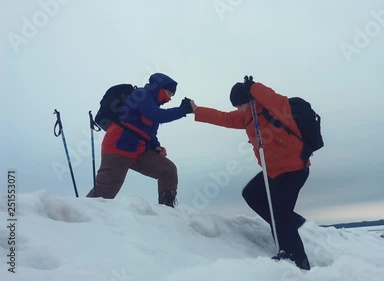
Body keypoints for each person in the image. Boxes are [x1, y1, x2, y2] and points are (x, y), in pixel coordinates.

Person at [186, 76, 311, 270]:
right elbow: (224, 118)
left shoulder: (276, 109)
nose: (239, 110)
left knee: (280, 216)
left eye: (241, 105)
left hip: (293, 169)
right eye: (237, 107)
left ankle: (299, 263)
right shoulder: (247, 115)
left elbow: (274, 98)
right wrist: (197, 110)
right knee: (251, 193)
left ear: (251, 100)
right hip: (273, 171)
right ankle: (291, 222)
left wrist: (254, 87)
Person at [87, 73, 194, 207]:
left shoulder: (153, 105)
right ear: (159, 88)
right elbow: (157, 116)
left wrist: (156, 146)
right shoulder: (141, 95)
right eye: (168, 93)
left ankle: (167, 211)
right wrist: (183, 110)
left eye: (171, 96)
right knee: (106, 189)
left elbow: (150, 134)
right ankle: (79, 215)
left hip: (139, 151)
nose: (169, 99)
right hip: (118, 146)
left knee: (168, 170)